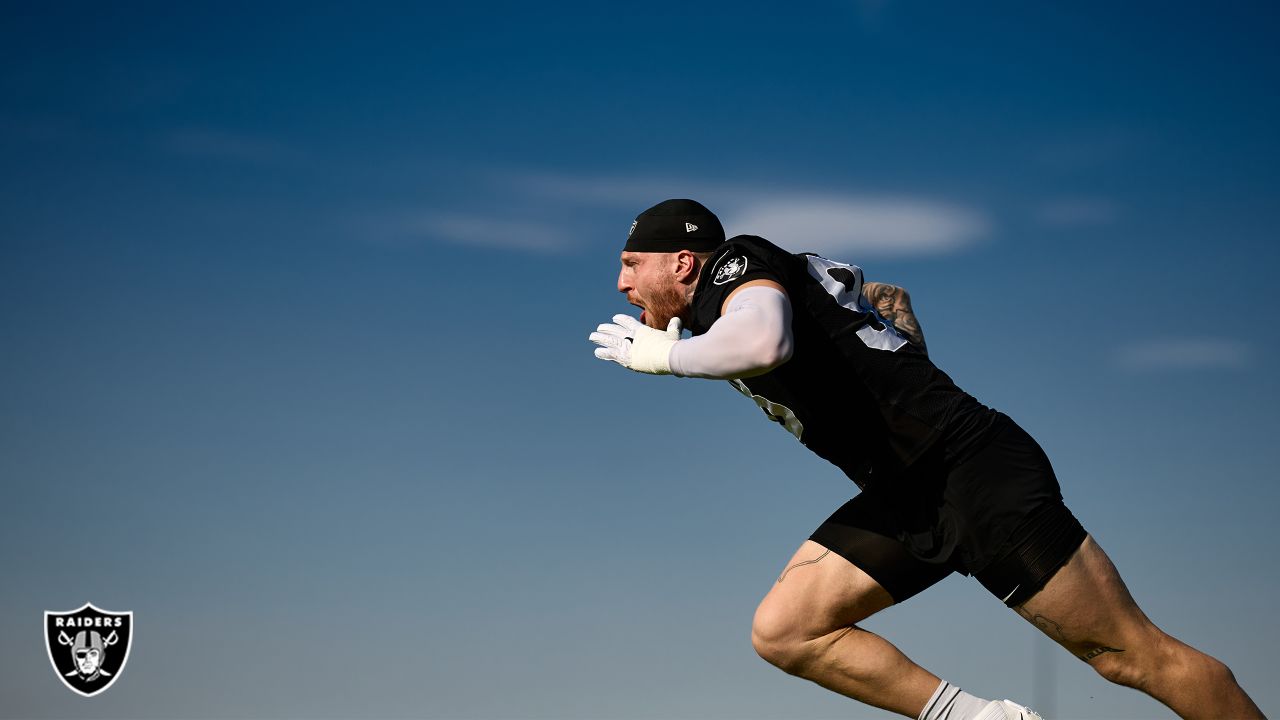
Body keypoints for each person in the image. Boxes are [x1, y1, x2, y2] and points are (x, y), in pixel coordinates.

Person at [588, 199, 1265, 720]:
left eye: (630, 264)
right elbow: (885, 299)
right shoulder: (728, 308)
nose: (621, 284)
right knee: (786, 631)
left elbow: (763, 343)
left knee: (1134, 659)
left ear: (683, 260)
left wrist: (664, 357)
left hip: (971, 473)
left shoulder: (737, 263)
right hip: (905, 490)